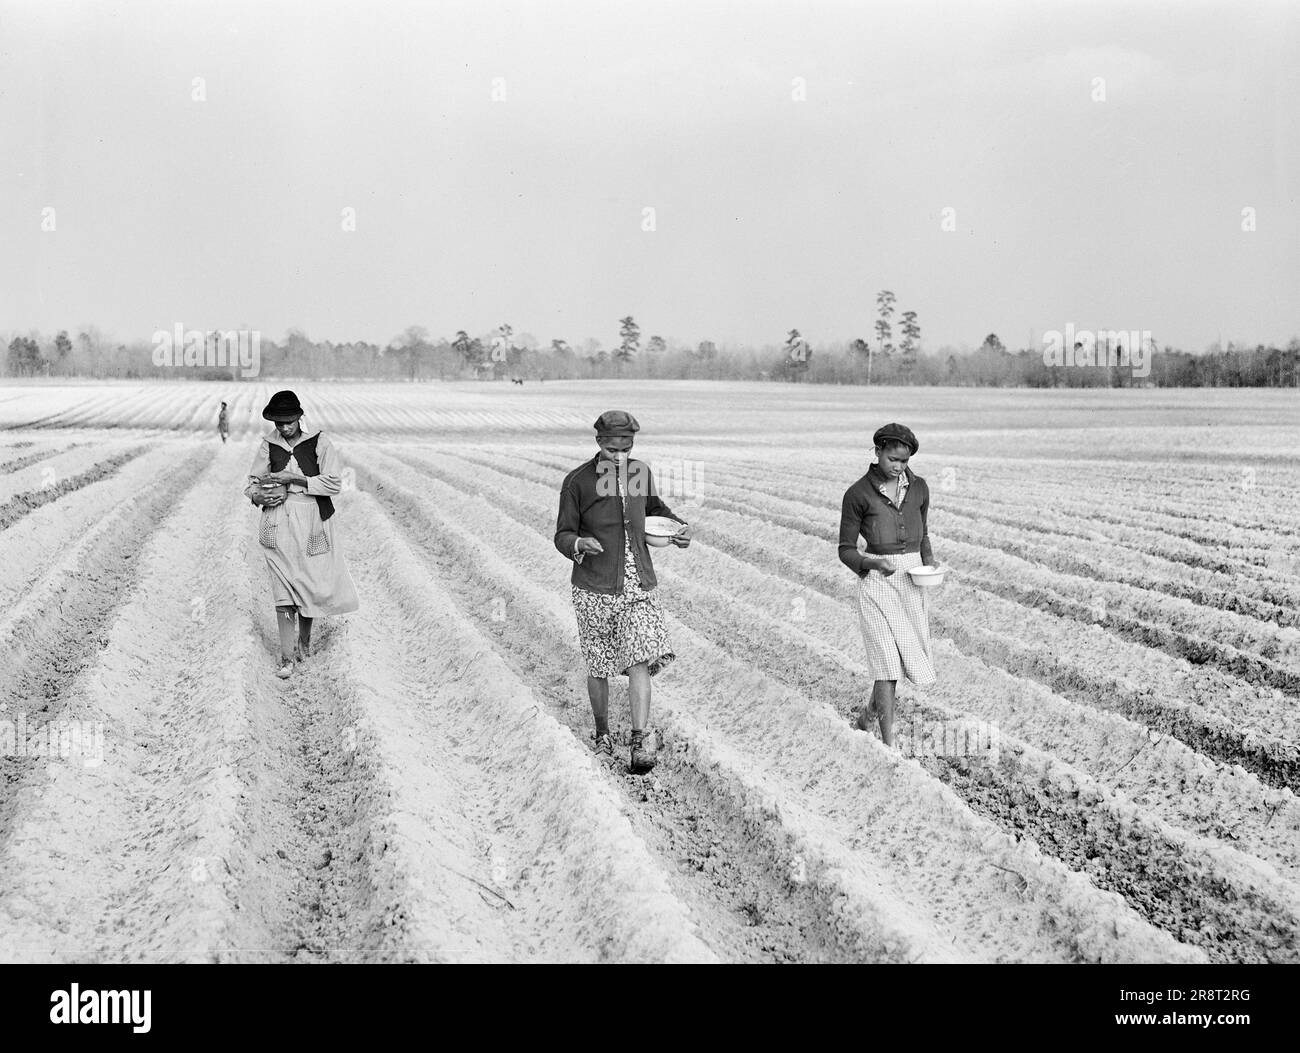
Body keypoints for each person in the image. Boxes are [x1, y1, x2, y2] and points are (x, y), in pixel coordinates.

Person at [554, 410, 693, 773]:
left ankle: (638, 740)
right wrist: (579, 543)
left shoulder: (639, 473)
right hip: (595, 587)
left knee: (639, 658)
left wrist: (677, 527)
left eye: (627, 446)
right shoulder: (578, 482)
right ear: (599, 443)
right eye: (613, 447)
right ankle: (602, 732)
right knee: (598, 664)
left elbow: (654, 509)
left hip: (637, 584)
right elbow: (562, 534)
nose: (620, 454)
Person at [244, 390, 359, 679]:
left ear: (299, 417)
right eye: (279, 423)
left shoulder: (319, 443)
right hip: (278, 522)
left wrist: (294, 478)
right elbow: (252, 485)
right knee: (283, 591)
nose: (283, 428)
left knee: (308, 586)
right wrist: (261, 496)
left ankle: (303, 643)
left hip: (312, 522)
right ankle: (286, 658)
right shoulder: (267, 447)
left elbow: (333, 484)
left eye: (288, 421)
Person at [837, 422, 939, 745]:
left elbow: (923, 534)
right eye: (892, 459)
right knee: (886, 664)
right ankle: (889, 743)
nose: (898, 467)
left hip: (910, 582)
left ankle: (867, 718)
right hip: (877, 583)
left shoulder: (920, 488)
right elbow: (846, 550)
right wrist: (871, 563)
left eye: (904, 461)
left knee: (902, 659)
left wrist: (930, 562)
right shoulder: (857, 494)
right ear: (877, 452)